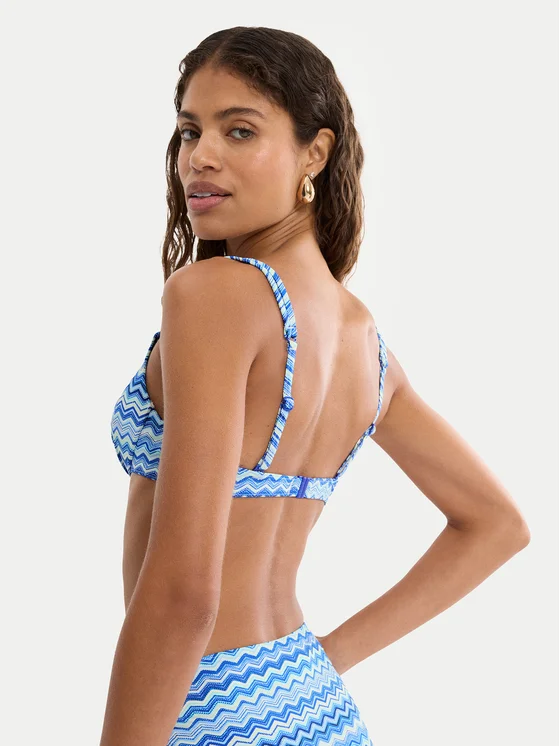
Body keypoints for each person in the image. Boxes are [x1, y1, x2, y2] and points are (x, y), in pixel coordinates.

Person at [100, 26, 531, 746]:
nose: (200, 156)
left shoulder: (213, 296)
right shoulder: (364, 339)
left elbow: (183, 596)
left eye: (240, 131)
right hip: (313, 703)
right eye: (190, 131)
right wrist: (321, 664)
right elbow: (496, 525)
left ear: (316, 153)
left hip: (211, 710)